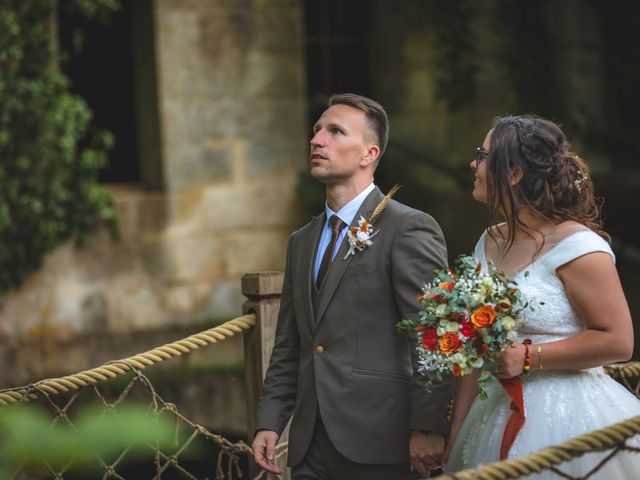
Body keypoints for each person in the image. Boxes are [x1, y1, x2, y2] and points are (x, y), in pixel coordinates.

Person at [251, 93, 454, 480]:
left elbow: (433, 335)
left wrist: (429, 426)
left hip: (382, 438)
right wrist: (270, 421)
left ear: (368, 153)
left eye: (335, 131)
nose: (316, 140)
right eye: (316, 131)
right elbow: (289, 343)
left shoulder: (408, 227)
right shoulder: (301, 241)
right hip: (309, 444)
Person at [444, 114, 640, 477]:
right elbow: (474, 345)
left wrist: (529, 357)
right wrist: (456, 430)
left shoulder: (579, 247)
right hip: (491, 414)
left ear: (514, 173)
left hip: (571, 418)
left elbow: (618, 341)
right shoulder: (488, 241)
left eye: (483, 156)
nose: (474, 164)